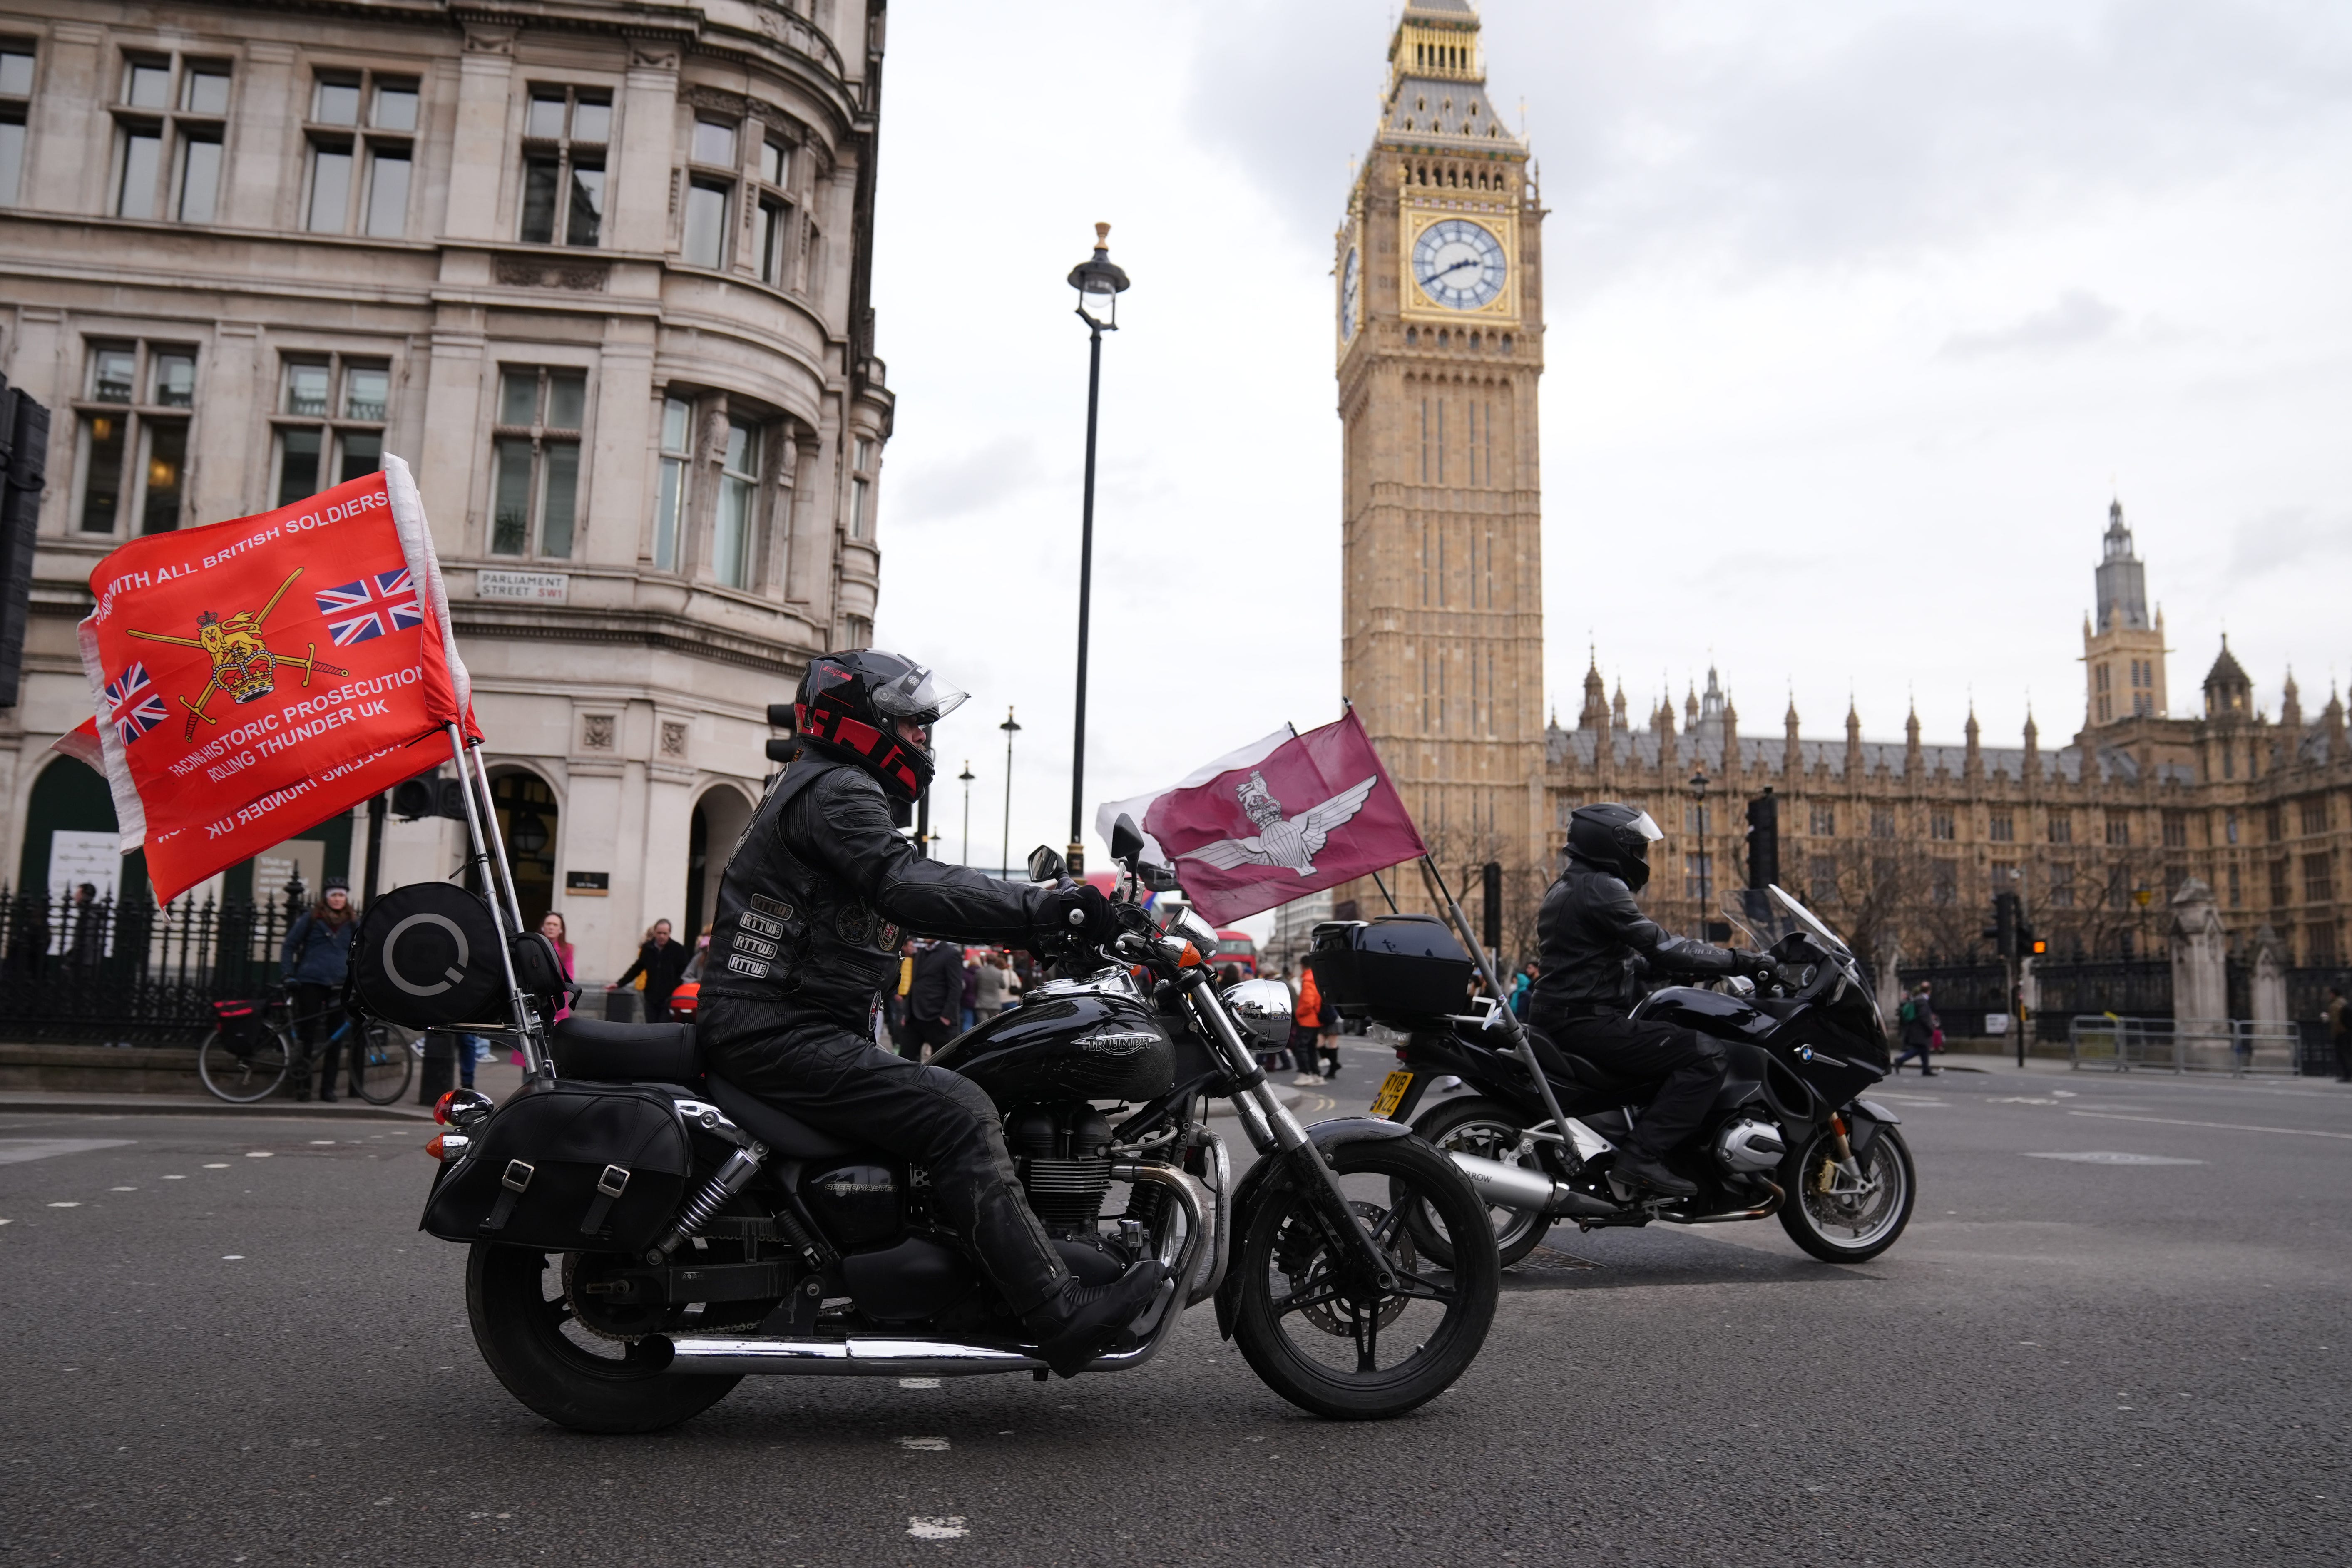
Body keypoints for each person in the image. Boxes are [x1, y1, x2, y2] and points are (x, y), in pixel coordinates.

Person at [695, 649, 1161, 1376]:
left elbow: (908, 897)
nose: (924, 740)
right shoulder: (838, 790)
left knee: (954, 1099)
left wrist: (1039, 932)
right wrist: (1048, 905)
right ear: (863, 722)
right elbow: (906, 882)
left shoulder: (822, 785)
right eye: (911, 724)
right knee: (958, 1110)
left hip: (787, 1020)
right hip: (778, 1026)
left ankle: (975, 1286)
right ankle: (1055, 1311)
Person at [1525, 803, 1767, 1198]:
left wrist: (1683, 970)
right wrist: (1742, 960)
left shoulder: (1569, 885)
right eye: (1637, 847)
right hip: (1588, 1022)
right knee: (1705, 1055)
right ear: (1612, 845)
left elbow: (1603, 960)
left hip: (1561, 1016)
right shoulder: (1603, 886)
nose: (1641, 856)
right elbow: (1663, 945)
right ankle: (1641, 1157)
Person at [281, 877, 357, 1102]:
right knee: (307, 1034)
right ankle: (303, 1087)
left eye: (341, 895)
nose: (337, 899)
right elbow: (289, 945)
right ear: (326, 897)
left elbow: (363, 951)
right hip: (311, 982)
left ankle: (328, 1089)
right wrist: (289, 974)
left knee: (335, 1038)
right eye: (334, 895)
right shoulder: (312, 919)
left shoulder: (353, 923)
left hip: (339, 985)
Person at [613, 918, 690, 1022]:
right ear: (655, 933)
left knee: (663, 1028)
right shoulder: (648, 948)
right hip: (651, 998)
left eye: (665, 933)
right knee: (651, 1028)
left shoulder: (678, 950)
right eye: (659, 933)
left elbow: (684, 973)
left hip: (669, 999)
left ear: (669, 934)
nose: (662, 936)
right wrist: (619, 984)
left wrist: (676, 989)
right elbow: (637, 968)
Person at [907, 937, 965, 1059]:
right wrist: (906, 1012)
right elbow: (914, 984)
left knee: (943, 1063)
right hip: (915, 1017)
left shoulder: (951, 954)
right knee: (906, 1059)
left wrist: (947, 1016)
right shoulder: (921, 953)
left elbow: (956, 988)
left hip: (938, 1018)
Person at [1892, 983, 1939, 1076]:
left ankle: (1926, 1069)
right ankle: (1900, 1060)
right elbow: (1924, 1016)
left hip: (1916, 1029)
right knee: (1920, 1049)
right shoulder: (1922, 1001)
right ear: (1929, 991)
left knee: (1924, 1049)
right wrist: (1930, 1028)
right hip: (1920, 1030)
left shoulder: (1917, 999)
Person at [1291, 964, 1325, 1085]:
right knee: (1311, 1049)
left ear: (1301, 966)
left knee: (1301, 1048)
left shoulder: (1308, 980)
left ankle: (1305, 1074)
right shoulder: (1317, 978)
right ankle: (1317, 1075)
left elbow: (1307, 1003)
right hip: (1316, 1020)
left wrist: (1299, 1014)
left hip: (1307, 1020)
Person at [973, 948, 1014, 1018]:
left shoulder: (979, 972)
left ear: (987, 960)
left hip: (982, 1003)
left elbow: (975, 986)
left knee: (982, 1024)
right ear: (995, 961)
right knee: (994, 1025)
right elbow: (1003, 986)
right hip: (995, 1004)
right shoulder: (999, 973)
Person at [2328, 985, 2350, 1083]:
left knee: (2343, 1054)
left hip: (2341, 1033)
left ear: (2333, 994)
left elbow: (2336, 1022)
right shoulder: (2344, 1002)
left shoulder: (2335, 1005)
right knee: (2348, 1053)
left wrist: (2335, 1034)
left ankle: (2347, 1075)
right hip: (2348, 1031)